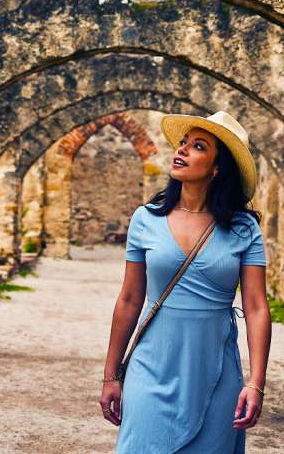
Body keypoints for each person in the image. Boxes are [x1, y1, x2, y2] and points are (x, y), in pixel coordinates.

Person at [100, 111, 272, 454]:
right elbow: (130, 299)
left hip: (216, 371)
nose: (181, 151)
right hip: (151, 366)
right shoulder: (146, 219)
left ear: (217, 167)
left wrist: (256, 383)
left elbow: (255, 308)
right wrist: (110, 376)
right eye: (182, 143)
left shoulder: (243, 228)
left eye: (197, 146)